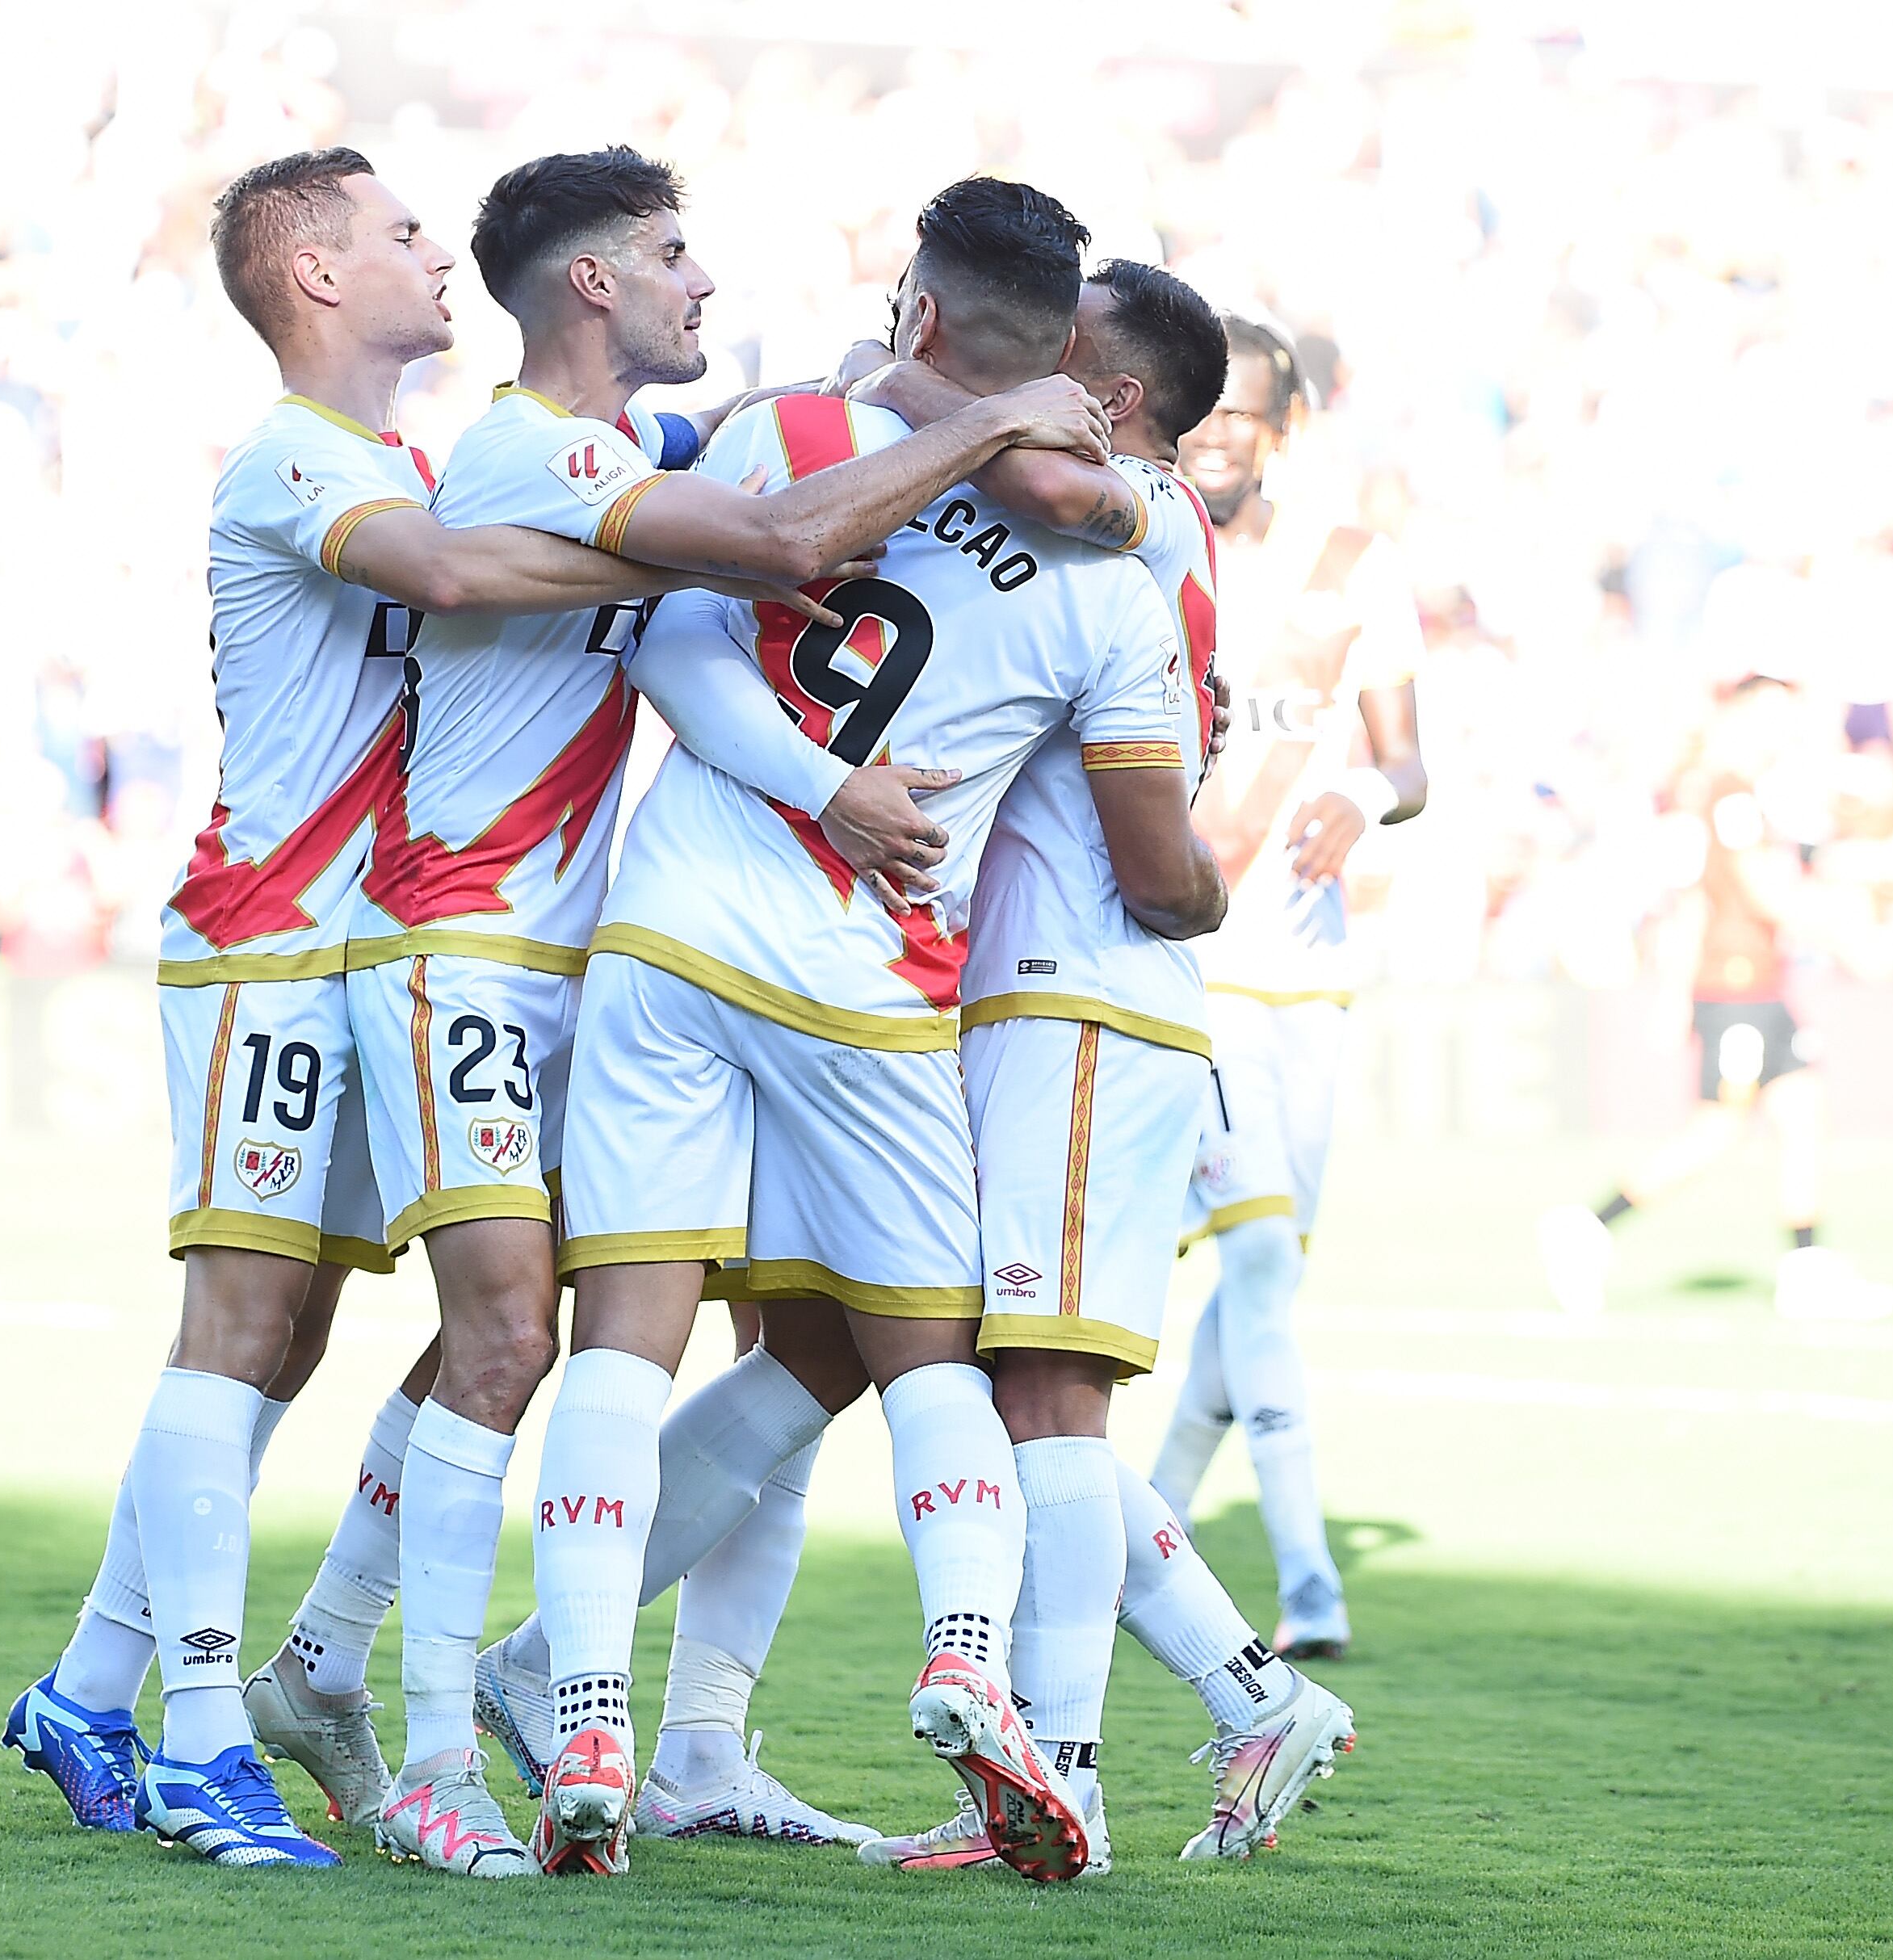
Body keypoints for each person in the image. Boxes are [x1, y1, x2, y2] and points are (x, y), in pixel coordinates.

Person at [328, 144, 1087, 1878]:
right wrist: (1005, 422)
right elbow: (776, 548)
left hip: (624, 939)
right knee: (539, 1338)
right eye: (674, 252)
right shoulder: (560, 452)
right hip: (522, 941)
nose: (706, 279)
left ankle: (583, 1709)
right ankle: (407, 1728)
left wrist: (891, 392)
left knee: (612, 1332)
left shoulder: (700, 435)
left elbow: (719, 550)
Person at [518, 177, 1165, 1883]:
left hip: (676, 923)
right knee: (927, 1353)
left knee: (626, 1332)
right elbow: (1137, 810)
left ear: (920, 310)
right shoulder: (1114, 568)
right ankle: (965, 1658)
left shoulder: (796, 429)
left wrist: (815, 777)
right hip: (875, 979)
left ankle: (586, 1715)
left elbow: (668, 649)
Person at [847, 262, 1355, 1872]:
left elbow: (1037, 477)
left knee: (1050, 1401)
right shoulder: (1122, 529)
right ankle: (1249, 1695)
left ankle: (1065, 1775)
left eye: (1059, 358)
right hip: (1055, 995)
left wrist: (901, 373)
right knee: (1024, 1396)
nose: (1031, 377)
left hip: (1084, 993)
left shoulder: (1139, 508)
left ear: (1117, 398)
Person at [1148, 313, 1429, 1664]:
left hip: (1310, 977)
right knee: (1258, 1261)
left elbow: (1410, 764)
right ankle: (1308, 1580)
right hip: (1187, 970)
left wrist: (1362, 795)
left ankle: (1145, 1522)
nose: (1214, 436)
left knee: (1261, 1284)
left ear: (1284, 424)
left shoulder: (1353, 567)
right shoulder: (1137, 549)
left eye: (1240, 413)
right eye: (1197, 409)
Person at [1537, 674, 1893, 1322]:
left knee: (1801, 1113)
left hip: (1761, 986)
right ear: (1741, 715)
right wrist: (1850, 933)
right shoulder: (1729, 795)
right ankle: (1588, 1228)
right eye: (1772, 714)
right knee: (1717, 1131)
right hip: (1735, 991)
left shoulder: (1739, 794)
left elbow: (1702, 900)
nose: (1783, 729)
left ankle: (1804, 1270)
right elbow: (1759, 893)